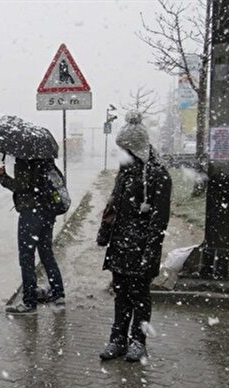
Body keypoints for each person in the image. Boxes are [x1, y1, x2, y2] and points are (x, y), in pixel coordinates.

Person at [96, 111, 171, 362]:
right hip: (120, 245)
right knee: (121, 294)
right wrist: (105, 233)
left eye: (125, 149)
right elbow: (113, 205)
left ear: (136, 148)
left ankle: (138, 342)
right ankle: (117, 339)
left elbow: (159, 221)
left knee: (139, 296)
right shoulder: (125, 173)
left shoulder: (158, 175)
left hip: (141, 247)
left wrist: (150, 254)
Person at [0, 158, 66, 315]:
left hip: (31, 214)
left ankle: (29, 302)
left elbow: (21, 186)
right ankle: (57, 293)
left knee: (26, 257)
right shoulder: (46, 159)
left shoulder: (24, 160)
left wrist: (2, 177)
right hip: (48, 212)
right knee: (46, 253)